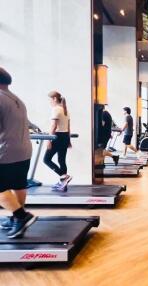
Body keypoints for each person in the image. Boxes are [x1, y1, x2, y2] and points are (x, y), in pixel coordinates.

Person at [0, 67, 37, 238]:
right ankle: (16, 216)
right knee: (18, 184)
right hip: (23, 150)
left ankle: (21, 216)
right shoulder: (17, 99)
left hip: (6, 151)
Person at [43, 91, 72, 192]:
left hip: (57, 137)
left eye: (50, 99)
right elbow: (68, 127)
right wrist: (69, 140)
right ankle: (63, 184)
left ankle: (64, 177)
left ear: (55, 98)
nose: (49, 102)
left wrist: (49, 140)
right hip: (65, 137)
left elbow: (53, 126)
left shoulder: (55, 109)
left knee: (46, 159)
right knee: (61, 160)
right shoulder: (66, 110)